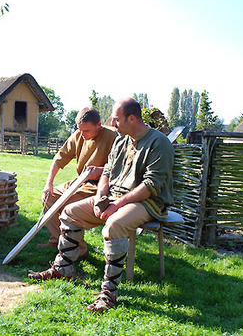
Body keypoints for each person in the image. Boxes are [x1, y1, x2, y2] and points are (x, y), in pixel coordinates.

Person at [28, 97, 174, 313]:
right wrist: (101, 197)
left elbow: (151, 185)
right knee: (69, 212)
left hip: (147, 202)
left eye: (116, 120)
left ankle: (109, 293)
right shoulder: (122, 141)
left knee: (114, 225)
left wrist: (118, 204)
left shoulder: (159, 142)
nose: (112, 124)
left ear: (131, 119)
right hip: (115, 197)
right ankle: (63, 268)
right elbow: (106, 171)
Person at [38, 107, 117, 259]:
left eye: (86, 130)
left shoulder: (113, 137)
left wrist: (99, 171)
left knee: (68, 203)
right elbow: (58, 159)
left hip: (101, 185)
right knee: (50, 196)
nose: (82, 134)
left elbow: (121, 167)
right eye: (80, 130)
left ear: (98, 125)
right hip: (81, 181)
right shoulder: (78, 135)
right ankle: (57, 240)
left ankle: (79, 250)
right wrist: (49, 184)